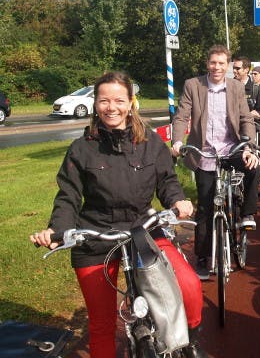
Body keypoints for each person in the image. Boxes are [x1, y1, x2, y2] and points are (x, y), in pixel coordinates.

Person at [29, 71, 205, 358]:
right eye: (104, 101)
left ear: (131, 103)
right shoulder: (81, 149)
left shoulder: (150, 142)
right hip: (96, 236)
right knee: (101, 325)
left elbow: (168, 181)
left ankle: (191, 338)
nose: (111, 108)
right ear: (96, 104)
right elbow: (68, 195)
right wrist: (57, 230)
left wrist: (178, 201)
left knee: (189, 286)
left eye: (119, 100)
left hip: (143, 229)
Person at [171, 45, 260, 280]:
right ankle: (202, 257)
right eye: (213, 62)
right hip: (204, 153)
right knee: (206, 207)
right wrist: (178, 142)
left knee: (254, 165)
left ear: (228, 65)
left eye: (221, 63)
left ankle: (247, 215)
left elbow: (245, 119)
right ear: (207, 64)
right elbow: (181, 116)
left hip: (231, 149)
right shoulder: (193, 85)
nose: (217, 67)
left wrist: (249, 147)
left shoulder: (236, 87)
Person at [233, 56, 260, 142]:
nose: (234, 71)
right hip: (231, 131)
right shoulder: (228, 87)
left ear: (246, 69)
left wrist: (257, 114)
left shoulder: (255, 88)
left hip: (248, 131)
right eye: (233, 68)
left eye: (237, 68)